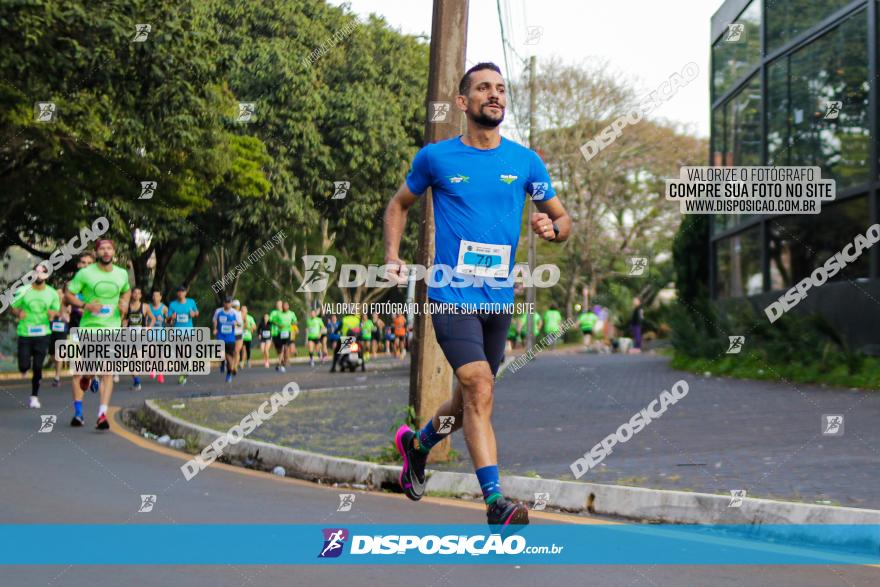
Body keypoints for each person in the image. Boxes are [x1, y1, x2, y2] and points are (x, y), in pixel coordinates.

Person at [383, 62, 570, 529]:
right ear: (463, 102)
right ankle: (495, 502)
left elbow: (563, 219)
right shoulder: (436, 158)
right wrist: (392, 254)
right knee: (480, 388)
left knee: (472, 403)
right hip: (451, 293)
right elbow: (398, 204)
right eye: (484, 88)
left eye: (501, 89)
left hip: (498, 299)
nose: (495, 95)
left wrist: (553, 228)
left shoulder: (525, 161)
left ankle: (417, 444)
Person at [65, 240, 131, 429]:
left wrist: (124, 303)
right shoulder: (85, 273)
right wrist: (86, 305)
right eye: (102, 248)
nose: (106, 251)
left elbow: (126, 292)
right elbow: (68, 294)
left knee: (107, 370)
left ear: (114, 252)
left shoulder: (121, 273)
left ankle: (102, 414)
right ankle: (87, 379)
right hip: (90, 328)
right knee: (88, 369)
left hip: (112, 328)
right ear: (97, 253)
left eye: (109, 248)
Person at [11, 264, 60, 408]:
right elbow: (13, 306)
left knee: (38, 366)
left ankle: (34, 397)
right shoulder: (23, 290)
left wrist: (53, 314)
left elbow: (55, 310)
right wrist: (18, 313)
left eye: (43, 272)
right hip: (25, 333)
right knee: (24, 365)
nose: (39, 275)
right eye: (37, 272)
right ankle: (24, 368)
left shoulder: (52, 293)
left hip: (43, 333)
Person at [123, 287, 155, 391]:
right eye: (134, 293)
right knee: (130, 361)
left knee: (137, 360)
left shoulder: (145, 307)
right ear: (132, 295)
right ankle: (137, 382)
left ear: (141, 295)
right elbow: (124, 320)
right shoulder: (127, 306)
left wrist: (149, 328)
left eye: (138, 293)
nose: (136, 295)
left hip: (141, 337)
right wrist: (123, 325)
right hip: (129, 337)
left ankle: (138, 380)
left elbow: (153, 318)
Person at [167, 286, 199, 384]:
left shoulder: (191, 302)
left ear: (185, 293)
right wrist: (171, 317)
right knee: (178, 354)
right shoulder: (172, 304)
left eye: (183, 292)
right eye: (179, 292)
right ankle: (184, 369)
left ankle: (184, 370)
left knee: (185, 352)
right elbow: (167, 319)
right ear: (177, 293)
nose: (181, 293)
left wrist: (194, 314)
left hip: (188, 332)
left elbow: (197, 312)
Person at [213, 297, 241, 383]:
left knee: (230, 356)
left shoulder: (235, 313)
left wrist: (236, 323)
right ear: (223, 303)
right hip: (220, 336)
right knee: (221, 353)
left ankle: (229, 374)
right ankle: (222, 363)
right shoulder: (218, 311)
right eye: (226, 302)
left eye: (229, 302)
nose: (227, 304)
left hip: (230, 337)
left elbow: (240, 324)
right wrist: (215, 328)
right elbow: (214, 320)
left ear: (231, 303)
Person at [50, 291, 70, 387]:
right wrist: (55, 315)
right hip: (52, 331)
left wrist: (62, 314)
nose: (59, 296)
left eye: (60, 294)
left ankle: (57, 377)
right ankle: (59, 365)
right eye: (57, 294)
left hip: (62, 331)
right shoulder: (51, 304)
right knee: (52, 355)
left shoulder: (67, 305)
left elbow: (67, 318)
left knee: (59, 354)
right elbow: (49, 316)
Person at [147, 290, 168, 383]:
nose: (155, 297)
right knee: (151, 352)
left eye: (157, 296)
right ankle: (153, 369)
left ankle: (161, 373)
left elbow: (169, 320)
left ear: (160, 297)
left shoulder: (164, 308)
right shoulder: (148, 307)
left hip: (161, 334)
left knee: (161, 355)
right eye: (153, 296)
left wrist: (165, 319)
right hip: (151, 333)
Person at [271, 301, 296, 372]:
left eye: (286, 305)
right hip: (280, 333)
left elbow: (295, 321)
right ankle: (280, 362)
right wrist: (278, 325)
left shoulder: (291, 313)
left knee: (285, 347)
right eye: (284, 306)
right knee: (280, 349)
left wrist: (293, 324)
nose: (285, 307)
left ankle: (283, 362)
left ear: (288, 306)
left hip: (288, 332)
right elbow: (273, 321)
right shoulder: (278, 314)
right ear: (282, 307)